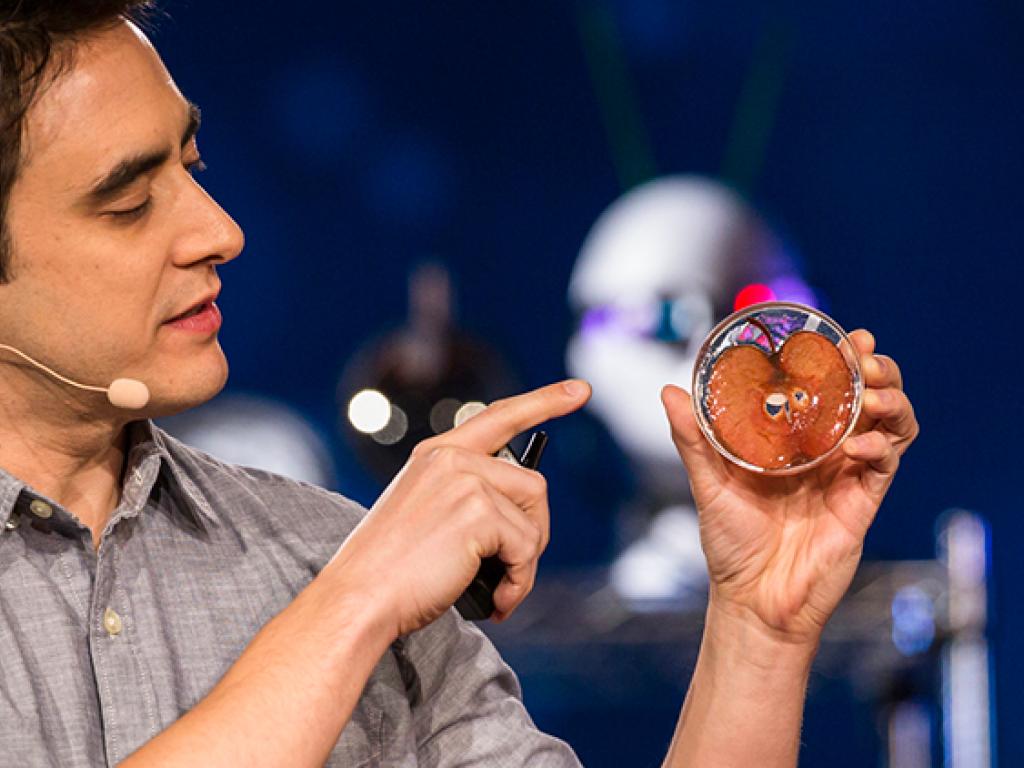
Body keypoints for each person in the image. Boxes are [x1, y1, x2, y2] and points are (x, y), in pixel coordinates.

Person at [0, 3, 919, 767]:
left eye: (193, 167)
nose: (218, 231)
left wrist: (761, 627)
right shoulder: (365, 579)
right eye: (127, 204)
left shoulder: (327, 552)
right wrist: (354, 604)